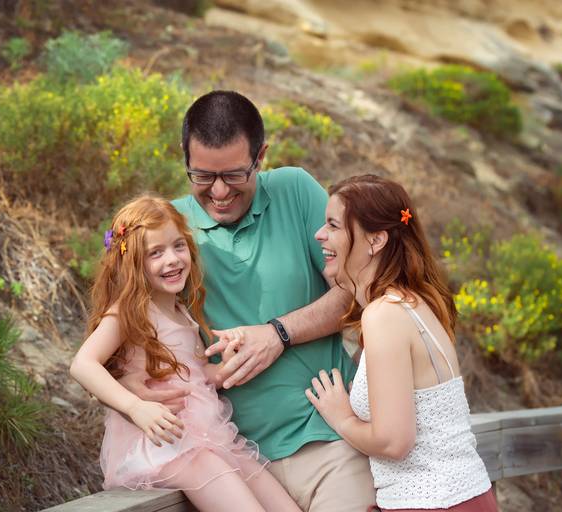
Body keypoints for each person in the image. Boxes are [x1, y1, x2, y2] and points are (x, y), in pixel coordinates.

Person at [126, 90, 376, 511]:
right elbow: (124, 323)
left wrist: (279, 333)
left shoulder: (296, 190)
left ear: (261, 155)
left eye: (235, 175)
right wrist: (126, 387)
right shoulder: (168, 232)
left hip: (329, 444)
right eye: (202, 176)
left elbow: (360, 289)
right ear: (184, 159)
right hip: (235, 463)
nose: (219, 192)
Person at [69, 195, 301, 512]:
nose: (173, 259)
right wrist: (136, 408)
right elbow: (83, 365)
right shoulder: (130, 311)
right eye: (156, 253)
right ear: (132, 262)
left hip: (209, 438)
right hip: (164, 445)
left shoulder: (181, 309)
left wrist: (225, 368)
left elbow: (194, 376)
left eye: (178, 246)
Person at [306, 175, 497, 511]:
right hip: (464, 496)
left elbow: (394, 442)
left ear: (376, 240)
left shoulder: (384, 315)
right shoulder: (413, 303)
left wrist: (342, 419)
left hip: (433, 503)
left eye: (334, 225)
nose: (320, 234)